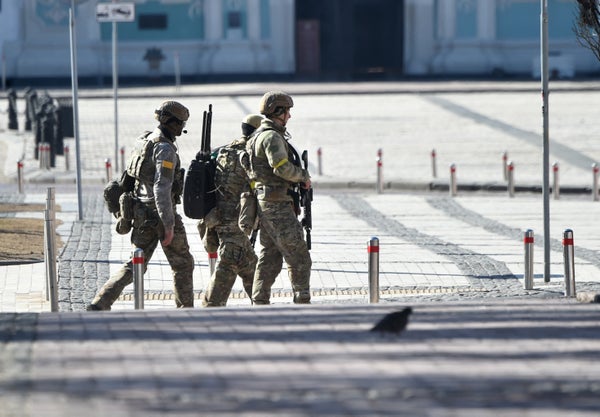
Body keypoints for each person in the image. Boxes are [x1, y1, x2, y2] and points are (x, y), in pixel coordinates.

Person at [87, 100, 195, 310]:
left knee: (134, 265)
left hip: (140, 212)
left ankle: (100, 303)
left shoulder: (144, 140)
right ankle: (186, 310)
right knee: (183, 264)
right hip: (159, 213)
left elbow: (129, 178)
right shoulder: (164, 150)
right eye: (181, 123)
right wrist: (169, 225)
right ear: (172, 123)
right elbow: (161, 188)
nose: (182, 128)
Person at [245, 91, 312, 305]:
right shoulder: (271, 136)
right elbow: (281, 168)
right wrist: (303, 176)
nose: (289, 117)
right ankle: (302, 298)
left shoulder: (258, 135)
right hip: (276, 204)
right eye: (287, 112)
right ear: (278, 112)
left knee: (270, 256)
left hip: (265, 203)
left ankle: (259, 299)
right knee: (298, 254)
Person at [198, 114, 263, 307]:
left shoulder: (224, 150)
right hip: (236, 222)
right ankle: (211, 307)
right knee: (228, 263)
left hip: (217, 217)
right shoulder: (252, 154)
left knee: (250, 264)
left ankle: (261, 303)